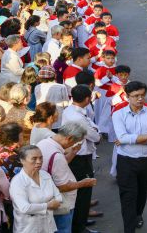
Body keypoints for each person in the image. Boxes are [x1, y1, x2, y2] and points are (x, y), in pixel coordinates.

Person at [111, 81, 147, 232]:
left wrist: (129, 139)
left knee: (142, 192)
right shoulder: (118, 114)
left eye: (142, 95)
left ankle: (138, 214)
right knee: (128, 196)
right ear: (127, 97)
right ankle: (129, 229)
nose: (140, 99)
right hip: (126, 161)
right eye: (135, 96)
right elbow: (121, 137)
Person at [37, 123, 95, 233]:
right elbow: (63, 187)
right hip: (60, 203)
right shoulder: (57, 156)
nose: (74, 144)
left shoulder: (44, 143)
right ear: (69, 138)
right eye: (75, 142)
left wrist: (73, 152)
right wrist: (84, 183)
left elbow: (55, 165)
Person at [60, 85, 100, 233]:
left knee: (79, 193)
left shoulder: (69, 110)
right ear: (87, 99)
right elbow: (94, 135)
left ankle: (80, 221)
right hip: (80, 157)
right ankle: (79, 226)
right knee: (83, 192)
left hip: (76, 155)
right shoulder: (77, 116)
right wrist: (97, 134)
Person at [8, 145, 63, 233]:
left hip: (47, 226)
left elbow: (58, 197)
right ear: (22, 161)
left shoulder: (45, 175)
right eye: (34, 158)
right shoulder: (17, 182)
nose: (39, 162)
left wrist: (36, 207)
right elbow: (25, 208)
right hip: (28, 228)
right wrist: (48, 205)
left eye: (41, 158)